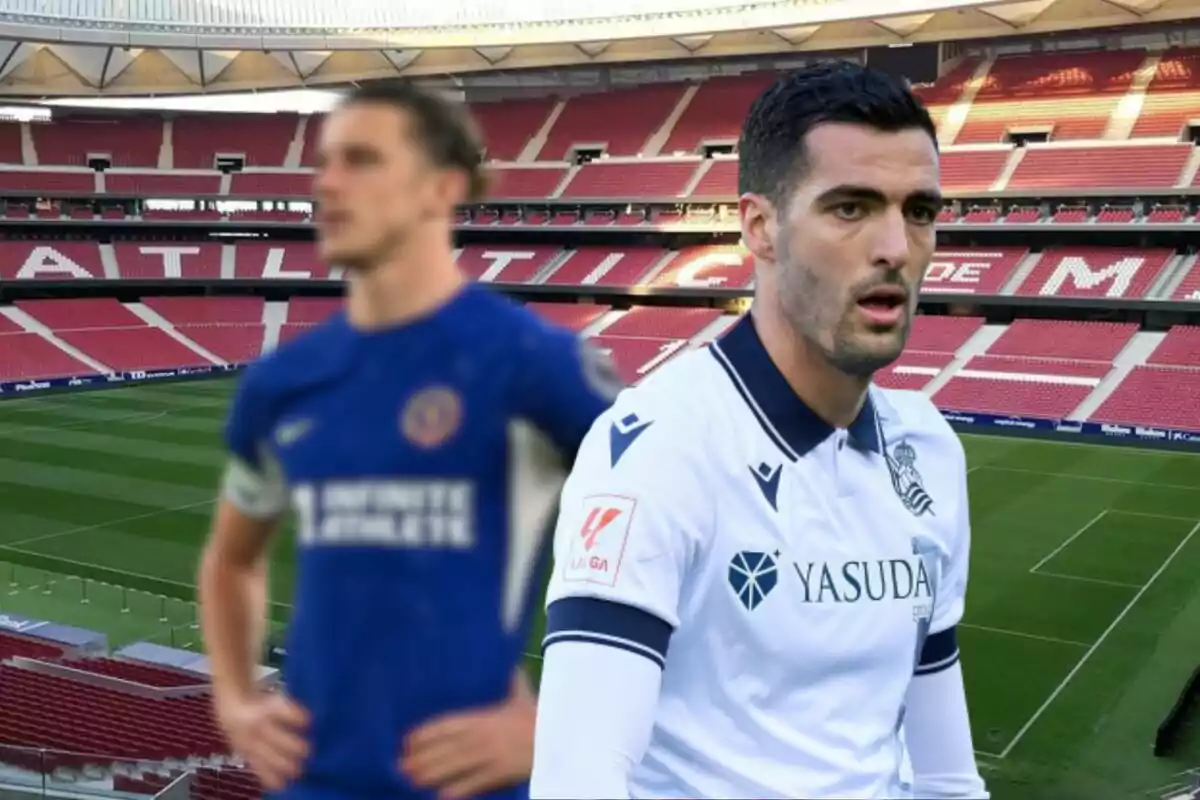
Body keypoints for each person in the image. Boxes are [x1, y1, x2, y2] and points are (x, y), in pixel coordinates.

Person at [530, 62, 989, 799]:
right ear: (760, 227)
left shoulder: (928, 451)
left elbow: (945, 775)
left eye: (920, 211)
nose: (896, 249)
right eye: (850, 208)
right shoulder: (659, 453)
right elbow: (575, 778)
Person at [198, 82, 622, 800]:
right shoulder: (283, 384)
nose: (325, 183)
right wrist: (237, 700)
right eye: (325, 162)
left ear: (441, 187)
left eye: (360, 160)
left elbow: (708, 535)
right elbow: (231, 560)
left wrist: (566, 723)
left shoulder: (537, 366)